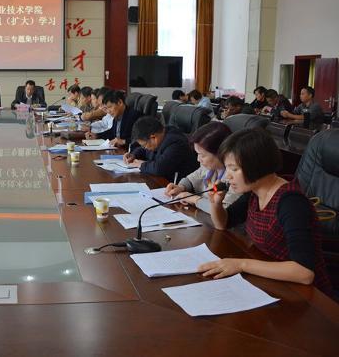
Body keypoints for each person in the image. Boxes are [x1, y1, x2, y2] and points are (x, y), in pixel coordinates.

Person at [197, 128, 332, 296]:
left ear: (256, 165)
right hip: (271, 280)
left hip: (305, 295)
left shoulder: (291, 203)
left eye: (234, 169)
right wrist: (216, 204)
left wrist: (241, 264)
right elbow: (223, 224)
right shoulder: (254, 192)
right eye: (227, 168)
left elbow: (304, 273)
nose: (228, 176)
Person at [164, 122, 240, 213]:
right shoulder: (210, 167)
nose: (198, 159)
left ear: (220, 153)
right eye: (197, 154)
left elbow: (225, 210)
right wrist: (181, 187)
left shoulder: (236, 176)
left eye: (202, 155)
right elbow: (191, 179)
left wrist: (194, 199)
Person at [123, 117, 198, 182]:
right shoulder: (161, 134)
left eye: (144, 145)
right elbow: (144, 150)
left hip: (175, 186)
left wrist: (141, 164)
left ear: (153, 137)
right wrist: (133, 155)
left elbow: (159, 168)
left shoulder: (176, 143)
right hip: (161, 180)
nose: (144, 147)